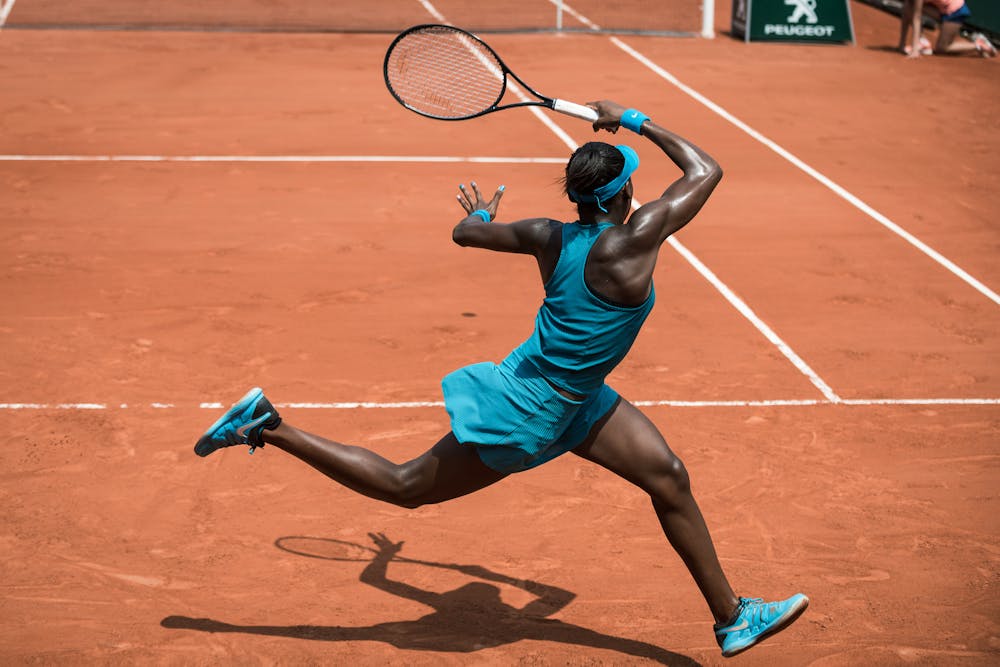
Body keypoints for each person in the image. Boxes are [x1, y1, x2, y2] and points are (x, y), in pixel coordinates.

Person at [194, 100, 809, 658]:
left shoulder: (547, 236)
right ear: (625, 195)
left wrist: (484, 213)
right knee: (406, 485)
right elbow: (706, 169)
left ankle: (731, 617)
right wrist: (631, 118)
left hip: (580, 399)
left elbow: (466, 233)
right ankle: (269, 425)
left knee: (669, 478)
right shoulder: (633, 241)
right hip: (535, 409)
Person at [899, 0, 997, 57]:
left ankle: (978, 44)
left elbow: (917, 17)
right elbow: (907, 11)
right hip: (941, 9)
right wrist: (901, 44)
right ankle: (922, 42)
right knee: (908, 6)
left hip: (955, 11)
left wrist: (915, 50)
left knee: (942, 48)